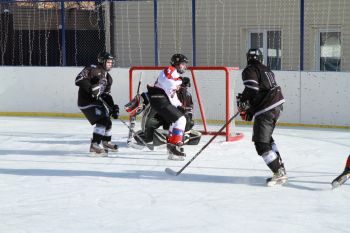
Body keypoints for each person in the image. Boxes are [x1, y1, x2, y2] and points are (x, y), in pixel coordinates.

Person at [237, 48, 286, 186]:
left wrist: (244, 101)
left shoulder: (250, 69)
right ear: (261, 58)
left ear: (248, 58)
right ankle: (280, 167)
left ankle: (279, 172)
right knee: (267, 140)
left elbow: (252, 89)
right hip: (275, 106)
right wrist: (250, 108)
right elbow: (261, 91)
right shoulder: (266, 69)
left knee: (261, 143)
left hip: (268, 108)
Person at [128, 77, 200, 147]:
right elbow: (147, 96)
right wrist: (138, 102)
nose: (182, 88)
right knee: (148, 136)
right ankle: (149, 134)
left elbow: (189, 111)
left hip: (174, 120)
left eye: (185, 87)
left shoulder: (187, 95)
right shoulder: (167, 89)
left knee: (186, 122)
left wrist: (186, 126)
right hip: (160, 117)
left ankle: (177, 136)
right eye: (180, 85)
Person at [75, 51, 119, 156]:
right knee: (103, 119)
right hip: (86, 101)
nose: (110, 64)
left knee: (108, 121)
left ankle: (106, 142)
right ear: (101, 61)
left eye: (111, 62)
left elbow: (106, 95)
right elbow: (78, 79)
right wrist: (91, 88)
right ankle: (94, 145)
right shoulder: (92, 68)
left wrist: (112, 107)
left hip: (96, 102)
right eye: (108, 62)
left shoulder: (109, 78)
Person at [146, 53, 189, 160]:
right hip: (158, 98)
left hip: (161, 100)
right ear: (176, 63)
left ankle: (171, 148)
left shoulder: (175, 75)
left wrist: (179, 105)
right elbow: (168, 83)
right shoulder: (170, 70)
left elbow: (171, 94)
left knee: (175, 121)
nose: (184, 66)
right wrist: (181, 81)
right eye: (182, 64)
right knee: (181, 120)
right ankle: (173, 147)